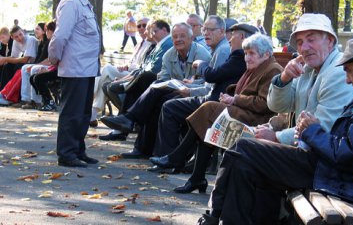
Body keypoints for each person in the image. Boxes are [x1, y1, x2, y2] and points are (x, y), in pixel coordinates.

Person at [196, 37, 353, 225]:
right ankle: (219, 218)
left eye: (349, 71)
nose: (346, 79)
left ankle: (214, 217)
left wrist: (311, 131)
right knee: (247, 163)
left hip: (347, 180)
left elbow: (348, 155)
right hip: (336, 170)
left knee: (244, 149)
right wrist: (307, 130)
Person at [150, 33, 282, 195]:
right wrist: (231, 97)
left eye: (252, 53)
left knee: (209, 108)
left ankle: (177, 157)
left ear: (266, 54)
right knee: (208, 127)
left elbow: (264, 104)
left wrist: (235, 99)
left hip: (258, 121)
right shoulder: (258, 66)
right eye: (246, 53)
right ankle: (196, 178)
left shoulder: (272, 69)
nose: (247, 58)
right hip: (244, 113)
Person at [100, 22, 211, 158]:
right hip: (174, 90)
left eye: (182, 36)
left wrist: (185, 85)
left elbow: (205, 83)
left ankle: (132, 124)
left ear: (191, 38)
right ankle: (140, 144)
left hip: (193, 94)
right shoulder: (169, 55)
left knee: (155, 98)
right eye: (175, 37)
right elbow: (163, 78)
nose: (178, 39)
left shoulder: (202, 54)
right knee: (153, 91)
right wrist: (177, 84)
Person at [255, 13, 353, 147]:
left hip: (324, 157)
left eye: (311, 40)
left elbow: (325, 125)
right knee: (243, 147)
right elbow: (277, 106)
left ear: (330, 41)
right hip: (305, 147)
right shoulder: (307, 69)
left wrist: (277, 137)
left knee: (246, 149)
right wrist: (284, 78)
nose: (304, 48)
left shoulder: (339, 71)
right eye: (300, 42)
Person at [148, 16, 234, 159]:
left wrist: (189, 90)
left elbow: (210, 88)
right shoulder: (217, 49)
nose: (206, 33)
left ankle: (168, 156)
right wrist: (190, 85)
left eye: (211, 29)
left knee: (169, 106)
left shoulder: (222, 51)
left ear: (222, 31)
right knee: (159, 96)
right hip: (211, 98)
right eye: (204, 29)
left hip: (214, 102)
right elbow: (208, 83)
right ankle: (161, 153)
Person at [48, 0, 100, 168]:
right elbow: (61, 35)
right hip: (75, 68)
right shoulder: (71, 2)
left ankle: (77, 150)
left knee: (83, 113)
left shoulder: (85, 3)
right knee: (72, 113)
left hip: (87, 68)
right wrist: (54, 58)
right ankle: (66, 153)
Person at [99, 19, 172, 141]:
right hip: (147, 80)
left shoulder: (167, 44)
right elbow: (144, 67)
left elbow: (154, 69)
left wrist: (128, 81)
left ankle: (124, 125)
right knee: (129, 84)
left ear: (164, 30)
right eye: (151, 31)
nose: (151, 34)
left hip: (161, 83)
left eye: (154, 31)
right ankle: (124, 124)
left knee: (141, 80)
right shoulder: (158, 45)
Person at [90, 18, 150, 127]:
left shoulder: (151, 44)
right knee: (106, 80)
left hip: (136, 76)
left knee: (107, 68)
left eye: (144, 25)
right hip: (128, 72)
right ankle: (93, 114)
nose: (141, 28)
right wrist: (126, 65)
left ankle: (90, 95)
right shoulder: (138, 44)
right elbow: (132, 62)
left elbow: (143, 66)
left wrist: (128, 67)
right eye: (139, 26)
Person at [20, 22, 51, 109]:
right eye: (35, 29)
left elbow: (50, 59)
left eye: (37, 29)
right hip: (41, 64)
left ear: (44, 31)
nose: (35, 31)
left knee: (33, 69)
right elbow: (38, 59)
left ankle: (36, 101)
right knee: (24, 68)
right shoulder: (40, 43)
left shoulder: (48, 42)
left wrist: (35, 65)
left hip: (49, 65)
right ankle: (27, 99)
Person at [0, 26, 38, 91]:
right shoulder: (15, 42)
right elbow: (14, 57)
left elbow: (25, 59)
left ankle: (14, 92)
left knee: (18, 66)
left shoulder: (31, 39)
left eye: (20, 34)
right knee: (7, 66)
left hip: (36, 62)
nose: (19, 38)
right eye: (16, 37)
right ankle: (4, 91)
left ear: (23, 31)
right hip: (26, 63)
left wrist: (5, 59)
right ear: (12, 37)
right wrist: (3, 59)